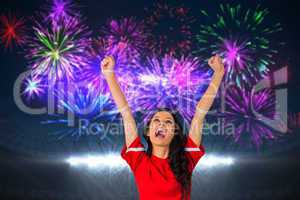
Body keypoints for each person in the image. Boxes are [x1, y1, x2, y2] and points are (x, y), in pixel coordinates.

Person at [101, 54, 224, 200]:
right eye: (156, 120)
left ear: (175, 132)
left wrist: (218, 74)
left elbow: (199, 114)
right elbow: (126, 113)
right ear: (148, 131)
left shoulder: (187, 159)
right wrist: (109, 74)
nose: (161, 124)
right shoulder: (139, 160)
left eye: (168, 122)